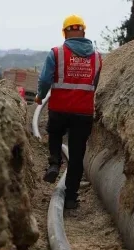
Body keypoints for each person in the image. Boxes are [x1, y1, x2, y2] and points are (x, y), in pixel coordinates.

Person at [35, 14, 102, 210]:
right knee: (77, 154)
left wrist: (40, 96)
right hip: (83, 112)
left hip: (59, 108)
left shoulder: (56, 53)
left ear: (64, 33)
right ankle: (71, 197)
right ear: (84, 32)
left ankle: (55, 162)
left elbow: (45, 79)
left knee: (54, 133)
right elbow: (94, 84)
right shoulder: (97, 57)